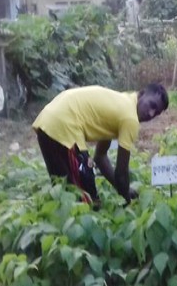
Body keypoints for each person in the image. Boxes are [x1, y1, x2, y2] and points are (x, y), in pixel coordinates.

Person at [33, 83, 169, 206]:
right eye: (152, 105)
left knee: (65, 192)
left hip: (48, 120)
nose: (151, 114)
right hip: (63, 124)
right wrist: (128, 199)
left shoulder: (121, 102)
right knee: (88, 200)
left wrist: (124, 189)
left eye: (156, 113)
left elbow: (100, 157)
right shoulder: (130, 117)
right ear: (142, 93)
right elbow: (121, 174)